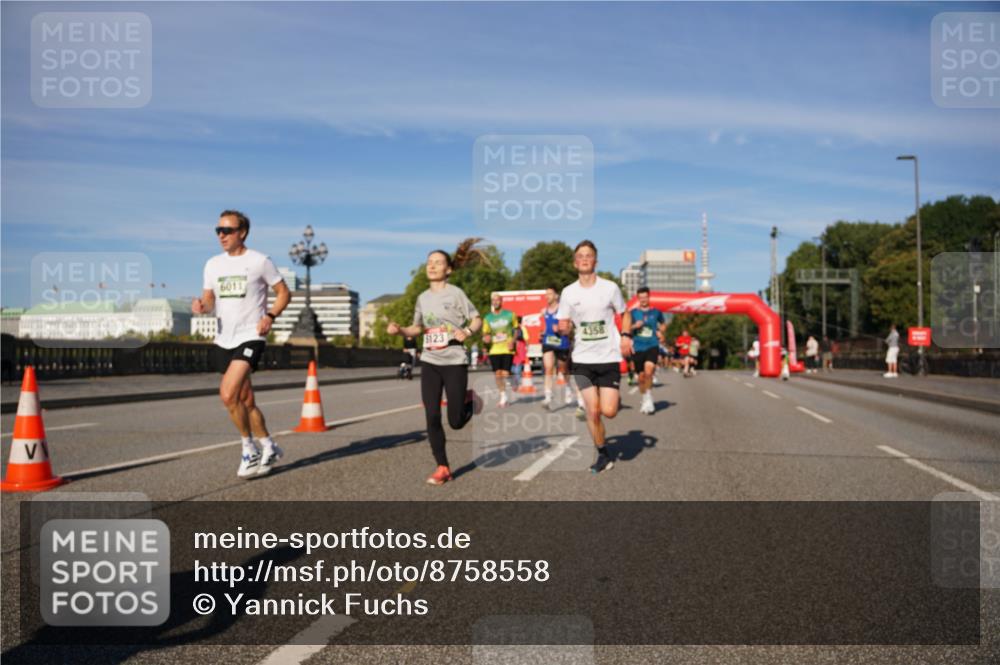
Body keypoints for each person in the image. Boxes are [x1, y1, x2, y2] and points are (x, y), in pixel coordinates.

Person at [193, 210, 291, 478]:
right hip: (224, 337)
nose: (221, 235)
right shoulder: (212, 264)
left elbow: (284, 292)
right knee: (245, 401)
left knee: (227, 394)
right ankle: (269, 445)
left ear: (242, 232)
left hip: (251, 335)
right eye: (218, 231)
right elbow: (210, 299)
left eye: (227, 231)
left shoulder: (260, 261)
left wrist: (270, 316)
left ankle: (249, 449)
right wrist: (202, 306)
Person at [386, 244, 483, 485]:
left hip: (454, 360)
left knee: (456, 421)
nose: (432, 265)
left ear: (448, 269)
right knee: (431, 416)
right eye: (429, 261)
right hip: (430, 361)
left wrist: (468, 331)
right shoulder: (422, 298)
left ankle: (470, 401)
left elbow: (477, 318)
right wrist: (400, 331)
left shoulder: (456, 294)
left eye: (438, 262)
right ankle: (442, 466)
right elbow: (417, 327)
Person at [558, 240, 631, 474]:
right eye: (580, 256)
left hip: (608, 356)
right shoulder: (568, 292)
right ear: (575, 262)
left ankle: (612, 398)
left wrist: (626, 335)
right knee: (592, 411)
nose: (585, 259)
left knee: (608, 411)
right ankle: (602, 453)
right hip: (582, 359)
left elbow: (624, 313)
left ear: (595, 261)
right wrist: (563, 329)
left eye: (589, 255)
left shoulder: (609, 288)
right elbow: (564, 322)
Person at [627, 287, 667, 414]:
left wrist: (661, 332)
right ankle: (644, 398)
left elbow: (663, 324)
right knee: (641, 377)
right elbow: (626, 328)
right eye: (641, 297)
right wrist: (635, 326)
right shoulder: (633, 313)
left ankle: (649, 398)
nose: (643, 299)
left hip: (652, 344)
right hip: (638, 346)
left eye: (645, 297)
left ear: (649, 297)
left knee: (649, 371)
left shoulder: (656, 312)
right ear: (638, 298)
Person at [540, 285, 575, 410]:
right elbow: (545, 326)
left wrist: (563, 329)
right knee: (548, 368)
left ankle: (568, 388)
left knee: (563, 369)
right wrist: (543, 332)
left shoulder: (563, 310)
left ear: (556, 296)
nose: (547, 296)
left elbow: (570, 327)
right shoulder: (544, 311)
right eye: (546, 294)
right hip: (548, 342)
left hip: (562, 343)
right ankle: (548, 396)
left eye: (549, 294)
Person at [482, 292, 518, 407]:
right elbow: (485, 333)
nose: (495, 302)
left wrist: (513, 341)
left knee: (506, 373)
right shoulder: (488, 318)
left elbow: (516, 329)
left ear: (501, 301)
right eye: (493, 300)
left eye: (497, 300)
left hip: (507, 348)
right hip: (494, 349)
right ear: (492, 302)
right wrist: (485, 339)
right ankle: (503, 397)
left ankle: (513, 378)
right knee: (498, 374)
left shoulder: (510, 315)